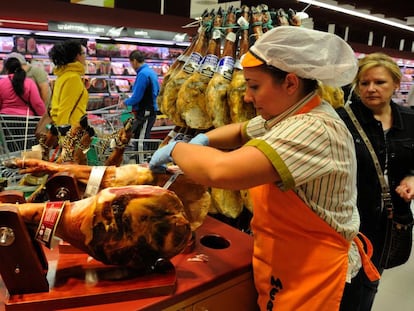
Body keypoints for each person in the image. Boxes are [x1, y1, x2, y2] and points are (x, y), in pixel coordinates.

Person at [149, 26, 379, 311]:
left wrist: (177, 148)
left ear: (291, 83)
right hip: (290, 263)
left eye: (254, 86)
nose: (246, 96)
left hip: (323, 276)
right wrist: (204, 138)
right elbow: (242, 130)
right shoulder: (290, 114)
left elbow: (224, 171)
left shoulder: (314, 128)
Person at [336, 52, 414, 310]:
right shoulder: (342, 120)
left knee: (371, 281)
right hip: (349, 220)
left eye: (379, 82)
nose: (370, 89)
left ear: (395, 84)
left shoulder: (410, 120)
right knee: (344, 285)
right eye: (364, 83)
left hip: (390, 222)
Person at [120, 50, 160, 140]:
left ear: (134, 61)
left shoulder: (143, 74)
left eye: (131, 63)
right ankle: (141, 154)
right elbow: (157, 91)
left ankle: (141, 155)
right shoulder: (150, 72)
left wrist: (125, 102)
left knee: (141, 140)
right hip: (151, 110)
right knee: (142, 136)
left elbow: (137, 97)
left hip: (145, 111)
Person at [48, 39, 88, 126]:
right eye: (84, 53)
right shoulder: (73, 78)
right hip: (72, 130)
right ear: (77, 56)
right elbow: (64, 110)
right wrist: (63, 135)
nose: (85, 57)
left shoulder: (63, 76)